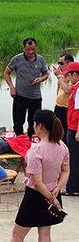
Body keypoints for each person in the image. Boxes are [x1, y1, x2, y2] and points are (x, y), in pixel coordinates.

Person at [11, 109, 70, 242]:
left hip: (35, 195)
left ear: (40, 126)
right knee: (44, 234)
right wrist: (57, 189)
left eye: (34, 123)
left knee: (17, 235)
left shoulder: (36, 149)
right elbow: (66, 170)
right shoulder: (62, 146)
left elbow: (37, 182)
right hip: (53, 192)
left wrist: (51, 198)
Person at [3, 38, 49, 138]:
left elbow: (46, 74)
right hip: (20, 96)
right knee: (18, 122)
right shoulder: (17, 59)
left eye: (33, 49)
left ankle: (32, 145)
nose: (30, 52)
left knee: (34, 123)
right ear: (24, 48)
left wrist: (41, 79)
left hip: (35, 97)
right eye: (28, 50)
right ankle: (19, 143)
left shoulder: (40, 59)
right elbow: (6, 73)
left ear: (35, 48)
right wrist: (11, 87)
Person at [63, 62, 79, 195]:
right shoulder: (76, 87)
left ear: (75, 75)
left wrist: (78, 131)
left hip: (75, 128)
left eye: (69, 75)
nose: (68, 78)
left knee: (74, 158)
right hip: (72, 126)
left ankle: (73, 188)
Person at [52, 54, 74, 139]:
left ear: (69, 64)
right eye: (58, 63)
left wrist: (58, 76)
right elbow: (58, 90)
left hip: (67, 108)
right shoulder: (62, 76)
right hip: (59, 107)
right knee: (57, 131)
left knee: (66, 132)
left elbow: (68, 90)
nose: (59, 66)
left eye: (61, 63)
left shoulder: (73, 76)